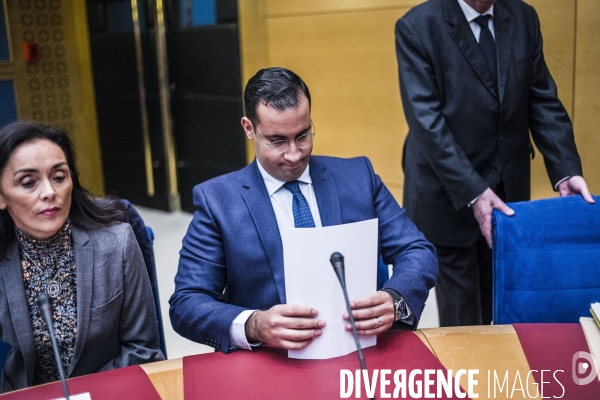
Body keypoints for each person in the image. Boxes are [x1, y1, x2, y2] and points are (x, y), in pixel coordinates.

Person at [169, 67, 438, 353]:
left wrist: (395, 299)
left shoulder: (358, 177)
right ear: (249, 129)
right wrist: (255, 325)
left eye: (302, 135)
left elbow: (417, 250)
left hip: (360, 351)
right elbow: (187, 302)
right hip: (269, 362)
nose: (294, 154)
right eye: (277, 141)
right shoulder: (218, 202)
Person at [395, 0, 594, 327]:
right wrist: (474, 190)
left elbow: (542, 99)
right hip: (448, 194)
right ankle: (465, 379)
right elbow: (427, 122)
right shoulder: (418, 26)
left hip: (507, 195)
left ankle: (495, 377)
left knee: (499, 308)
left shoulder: (523, 17)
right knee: (463, 320)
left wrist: (565, 170)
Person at [0, 121, 164, 392]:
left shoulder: (117, 243)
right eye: (29, 182)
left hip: (113, 391)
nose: (50, 192)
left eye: (59, 177)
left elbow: (142, 349)